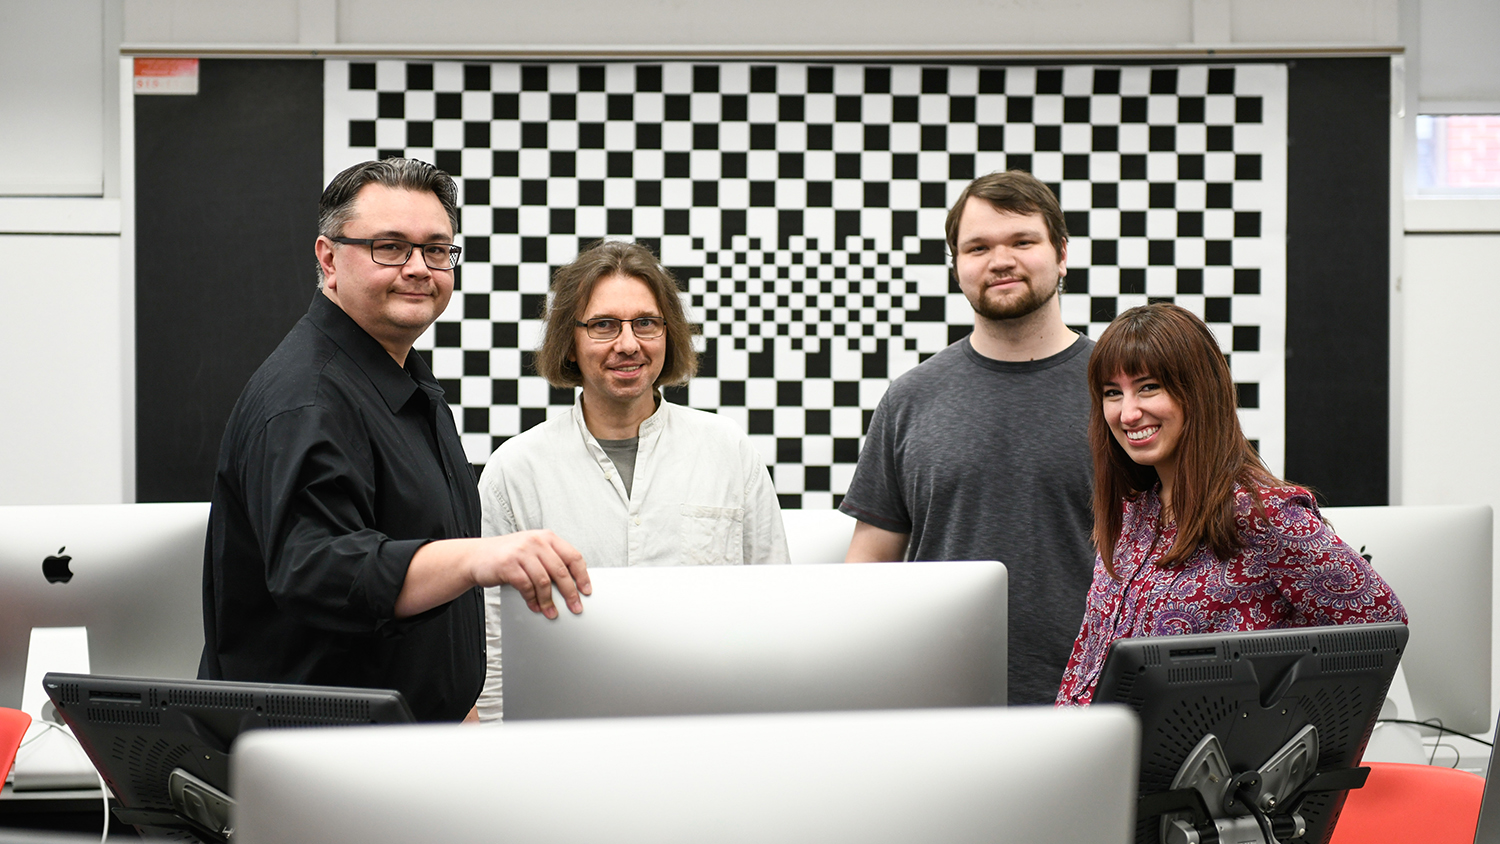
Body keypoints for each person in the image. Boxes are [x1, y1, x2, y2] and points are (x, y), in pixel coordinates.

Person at [199, 159, 590, 722]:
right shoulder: (307, 399)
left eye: (437, 249)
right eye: (390, 247)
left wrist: (457, 702)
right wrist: (478, 558)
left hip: (407, 749)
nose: (419, 268)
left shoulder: (400, 382)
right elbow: (319, 567)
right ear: (328, 259)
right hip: (320, 768)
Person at [473, 239, 788, 720]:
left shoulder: (728, 452)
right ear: (570, 341)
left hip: (709, 728)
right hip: (563, 734)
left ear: (668, 334)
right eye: (603, 325)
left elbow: (776, 609)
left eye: (646, 323)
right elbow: (489, 637)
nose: (628, 344)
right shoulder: (515, 471)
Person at [1056, 303, 1407, 706]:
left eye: (1148, 386)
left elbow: (1382, 626)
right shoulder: (1134, 509)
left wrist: (1272, 728)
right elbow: (1087, 657)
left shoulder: (1260, 513)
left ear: (1198, 391)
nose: (1128, 412)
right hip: (1089, 758)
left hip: (1193, 767)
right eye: (1112, 393)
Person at [839, 170, 1095, 706]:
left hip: (1097, 702)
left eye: (1023, 241)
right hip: (939, 704)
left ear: (1062, 253)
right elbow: (869, 566)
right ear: (956, 266)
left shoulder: (1121, 392)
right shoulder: (909, 399)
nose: (1000, 260)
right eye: (977, 247)